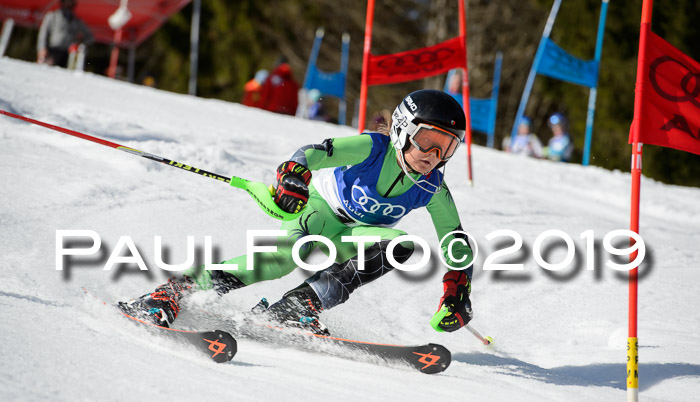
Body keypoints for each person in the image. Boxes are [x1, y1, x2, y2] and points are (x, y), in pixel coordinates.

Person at [119, 90, 475, 337]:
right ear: (402, 130)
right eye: (427, 139)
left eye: (446, 147)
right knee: (280, 260)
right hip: (320, 212)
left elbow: (455, 243)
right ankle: (171, 293)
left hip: (355, 236)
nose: (433, 154)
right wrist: (294, 177)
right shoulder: (374, 148)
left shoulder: (433, 188)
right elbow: (313, 153)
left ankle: (298, 306)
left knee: (400, 245)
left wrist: (457, 291)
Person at [37, 0, 93, 68]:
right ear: (62, 2)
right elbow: (43, 34)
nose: (70, 3)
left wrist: (79, 42)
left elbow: (90, 37)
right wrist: (42, 49)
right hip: (53, 52)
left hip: (69, 54)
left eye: (72, 2)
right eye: (68, 1)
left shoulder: (77, 20)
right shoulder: (52, 16)